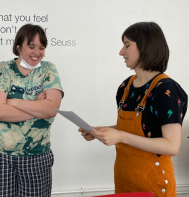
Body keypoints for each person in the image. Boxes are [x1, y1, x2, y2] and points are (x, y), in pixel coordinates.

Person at [79, 22, 187, 197]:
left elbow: (171, 146)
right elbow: (144, 128)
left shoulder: (166, 90)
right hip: (124, 177)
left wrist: (120, 136)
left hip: (153, 181)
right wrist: (101, 131)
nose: (121, 52)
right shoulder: (126, 86)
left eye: (127, 45)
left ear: (146, 45)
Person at [0, 24, 64, 197]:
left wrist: (12, 101)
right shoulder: (1, 69)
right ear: (18, 47)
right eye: (31, 46)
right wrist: (37, 107)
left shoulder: (48, 70)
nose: (36, 52)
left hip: (37, 156)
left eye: (41, 47)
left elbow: (52, 109)